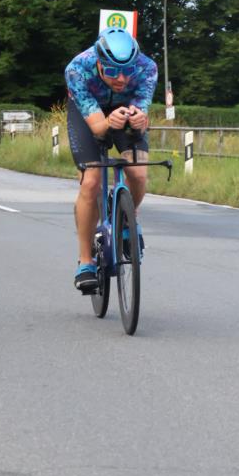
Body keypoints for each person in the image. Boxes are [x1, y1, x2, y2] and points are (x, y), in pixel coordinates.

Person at [65, 27, 157, 290]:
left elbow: (141, 116)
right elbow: (97, 129)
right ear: (98, 63)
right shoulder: (77, 69)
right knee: (91, 181)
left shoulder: (147, 67)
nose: (121, 79)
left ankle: (127, 217)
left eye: (127, 71)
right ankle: (85, 260)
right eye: (113, 71)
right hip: (89, 114)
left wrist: (140, 121)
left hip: (125, 110)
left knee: (138, 173)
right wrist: (107, 123)